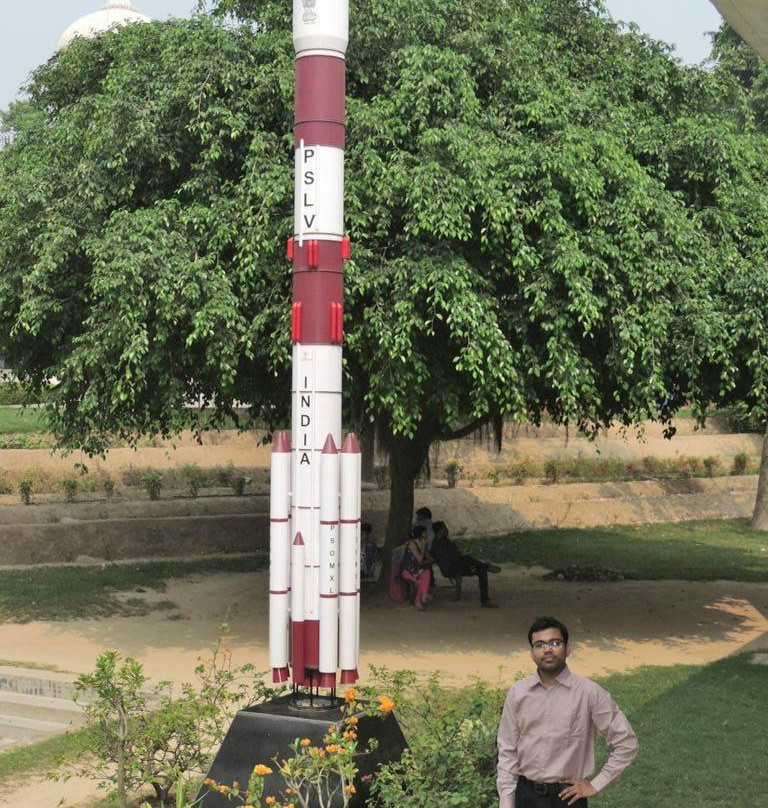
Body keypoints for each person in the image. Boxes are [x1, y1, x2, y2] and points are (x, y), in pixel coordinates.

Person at [496, 616, 638, 808]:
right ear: (532, 653)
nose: (547, 649)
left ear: (567, 649)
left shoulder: (589, 693)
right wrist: (506, 802)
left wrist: (596, 785)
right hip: (526, 796)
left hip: (568, 798)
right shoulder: (518, 693)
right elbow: (508, 750)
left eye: (555, 642)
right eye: (540, 645)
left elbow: (626, 743)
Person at [429, 520, 500, 608]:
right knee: (467, 558)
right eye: (445, 528)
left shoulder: (446, 541)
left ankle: (485, 600)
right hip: (450, 569)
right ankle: (486, 566)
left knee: (481, 571)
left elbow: (457, 555)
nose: (447, 530)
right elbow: (449, 559)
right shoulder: (437, 544)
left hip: (458, 566)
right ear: (440, 531)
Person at [399, 524, 432, 611]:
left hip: (415, 570)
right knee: (424, 577)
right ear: (421, 534)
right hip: (407, 571)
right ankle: (422, 597)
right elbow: (420, 559)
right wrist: (423, 546)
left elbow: (427, 557)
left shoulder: (420, 543)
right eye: (425, 533)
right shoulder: (412, 543)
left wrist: (424, 547)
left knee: (426, 573)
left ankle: (420, 599)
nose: (426, 535)